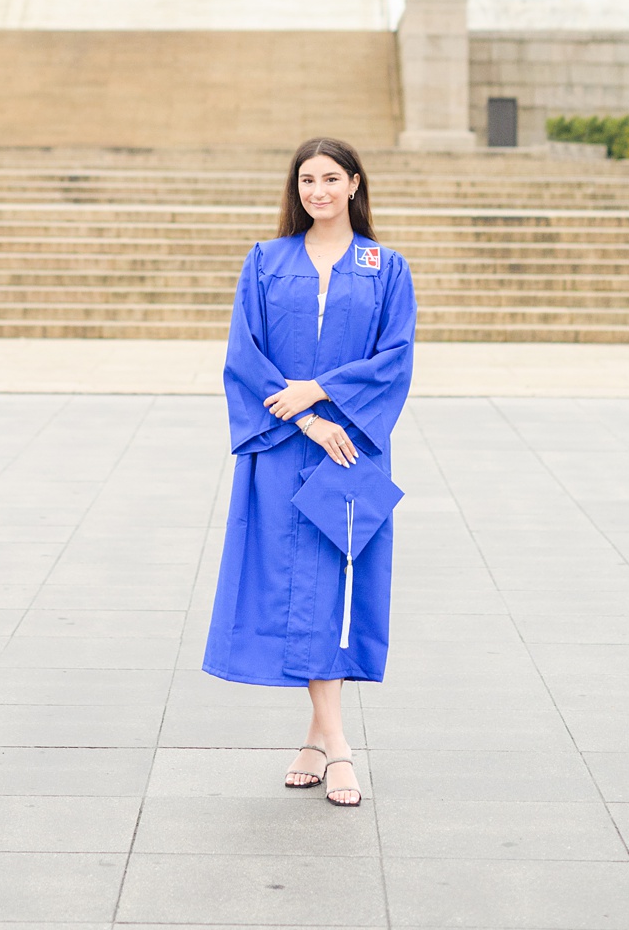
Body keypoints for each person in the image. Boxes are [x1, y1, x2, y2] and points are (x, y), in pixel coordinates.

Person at [203, 136, 415, 810]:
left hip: (349, 449)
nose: (317, 191)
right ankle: (335, 744)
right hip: (284, 446)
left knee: (334, 592)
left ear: (355, 184)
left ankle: (321, 741)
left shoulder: (386, 268)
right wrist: (303, 418)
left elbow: (394, 359)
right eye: (306, 181)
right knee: (293, 591)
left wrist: (322, 394)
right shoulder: (267, 261)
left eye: (330, 179)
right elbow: (247, 355)